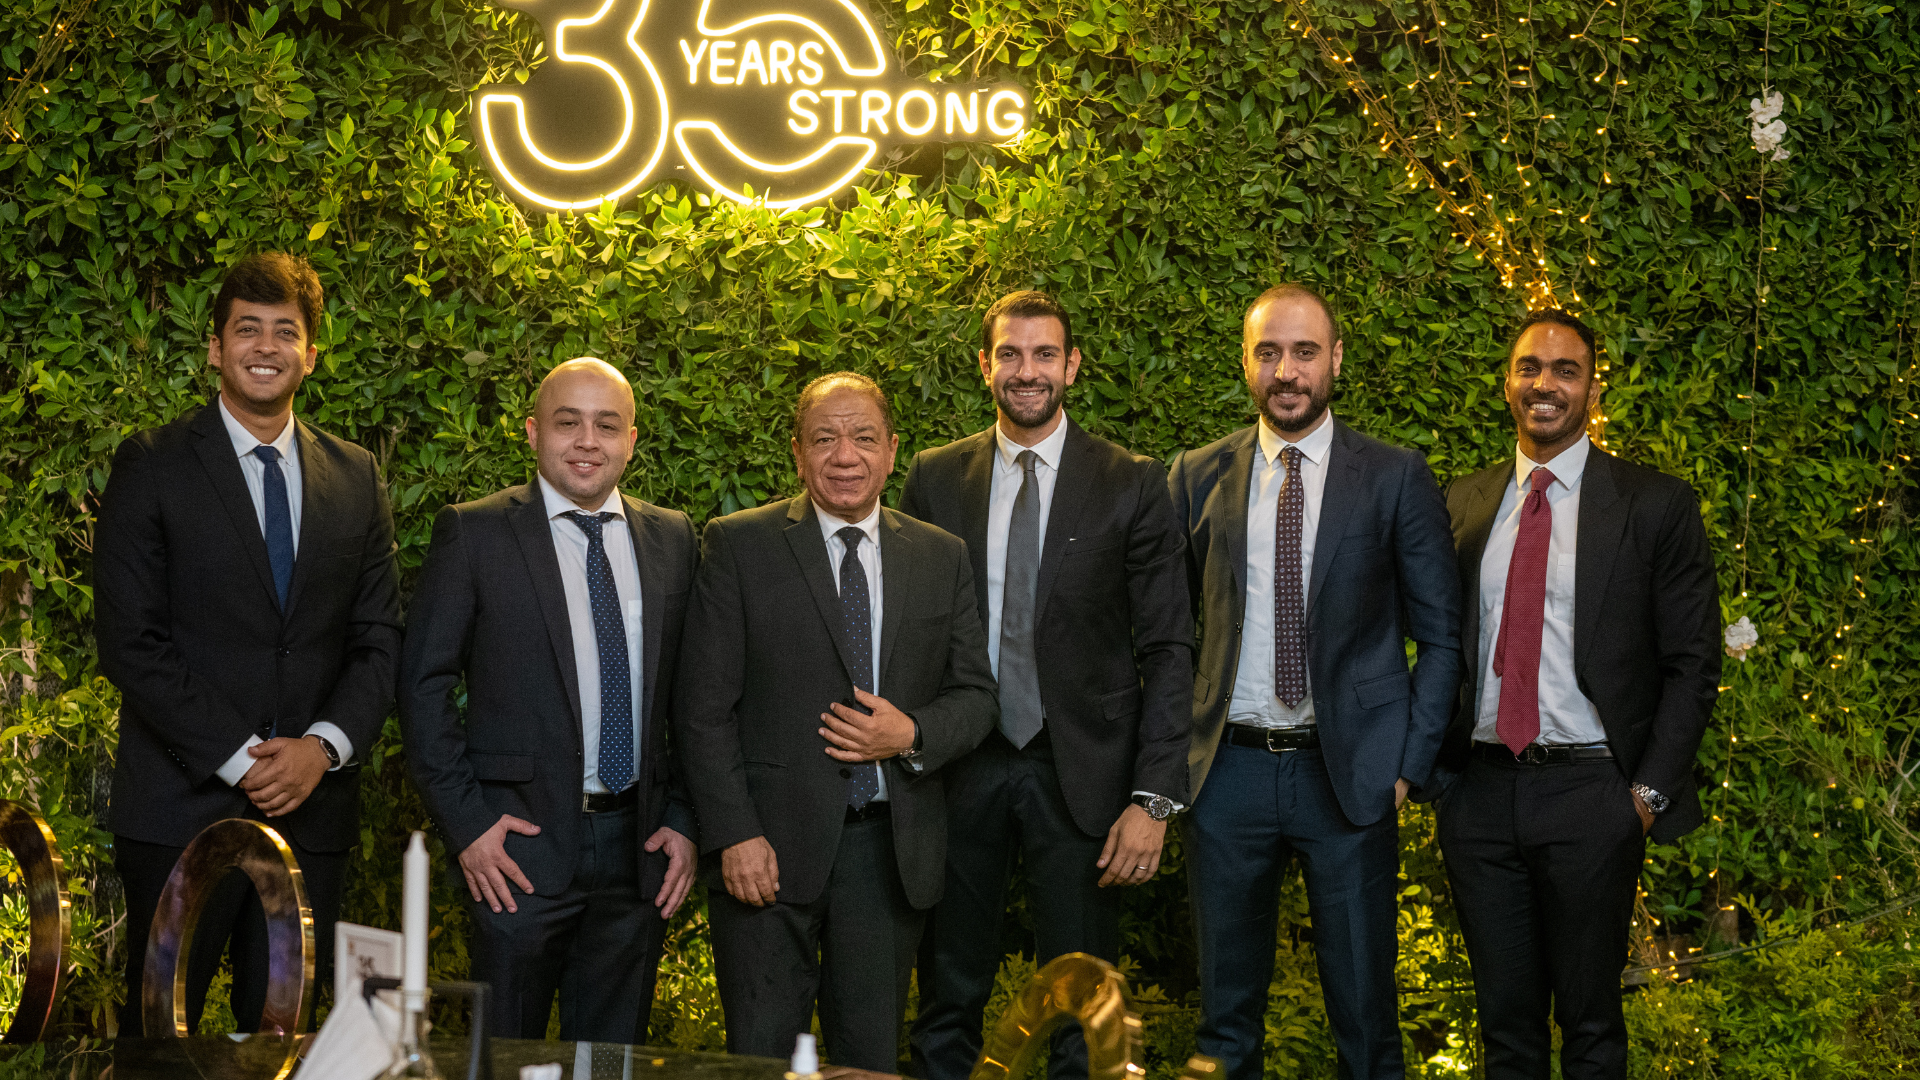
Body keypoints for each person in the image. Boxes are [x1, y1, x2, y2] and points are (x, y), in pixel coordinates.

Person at [95, 252, 402, 1035]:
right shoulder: (152, 464)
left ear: (311, 354)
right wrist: (244, 760)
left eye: (285, 332)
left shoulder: (357, 476)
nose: (266, 346)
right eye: (247, 329)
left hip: (312, 814)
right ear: (215, 347)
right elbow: (131, 643)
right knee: (159, 1045)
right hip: (178, 813)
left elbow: (378, 642)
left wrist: (321, 750)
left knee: (285, 1046)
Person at [1168, 284, 1462, 1080]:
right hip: (1226, 777)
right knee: (1226, 1025)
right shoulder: (1195, 476)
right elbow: (1166, 638)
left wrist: (1407, 766)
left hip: (1350, 777)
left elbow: (1441, 638)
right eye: (1268, 353)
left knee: (1366, 1020)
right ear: (1246, 362)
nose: (1286, 372)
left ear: (1335, 359)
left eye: (1303, 352)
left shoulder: (1395, 476)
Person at [901, 290, 1192, 1080]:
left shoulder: (1131, 482)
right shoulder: (935, 479)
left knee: (1084, 1009)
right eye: (1009, 354)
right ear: (985, 365)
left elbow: (1169, 647)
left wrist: (1154, 799)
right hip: (962, 767)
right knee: (948, 992)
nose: (1026, 371)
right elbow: (911, 638)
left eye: (1043, 355)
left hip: (1084, 775)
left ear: (1072, 365)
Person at [676, 371, 997, 1072]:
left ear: (892, 451)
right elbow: (702, 708)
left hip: (886, 856)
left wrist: (911, 734)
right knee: (761, 1062)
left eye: (863, 438)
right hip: (765, 855)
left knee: (868, 1062)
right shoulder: (739, 545)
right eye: (824, 439)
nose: (845, 455)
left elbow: (976, 696)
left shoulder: (940, 556)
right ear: (798, 453)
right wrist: (734, 833)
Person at [1428, 309, 1719, 1080]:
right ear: (1507, 383)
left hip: (1594, 796)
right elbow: (1433, 647)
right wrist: (1439, 782)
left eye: (1566, 370)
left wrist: (1644, 796)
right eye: (1530, 367)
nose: (1545, 384)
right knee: (1505, 1031)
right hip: (1480, 798)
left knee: (1591, 1028)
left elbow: (1693, 662)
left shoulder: (1654, 505)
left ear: (1592, 388)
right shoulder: (1462, 503)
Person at [400, 358, 699, 1044]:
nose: (587, 441)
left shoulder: (673, 538)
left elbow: (696, 694)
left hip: (638, 852)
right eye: (568, 423)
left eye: (607, 426)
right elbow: (422, 686)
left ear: (631, 441)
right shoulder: (474, 533)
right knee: (508, 1052)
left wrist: (685, 819)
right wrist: (468, 824)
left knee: (608, 1061)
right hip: (516, 854)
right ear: (534, 432)